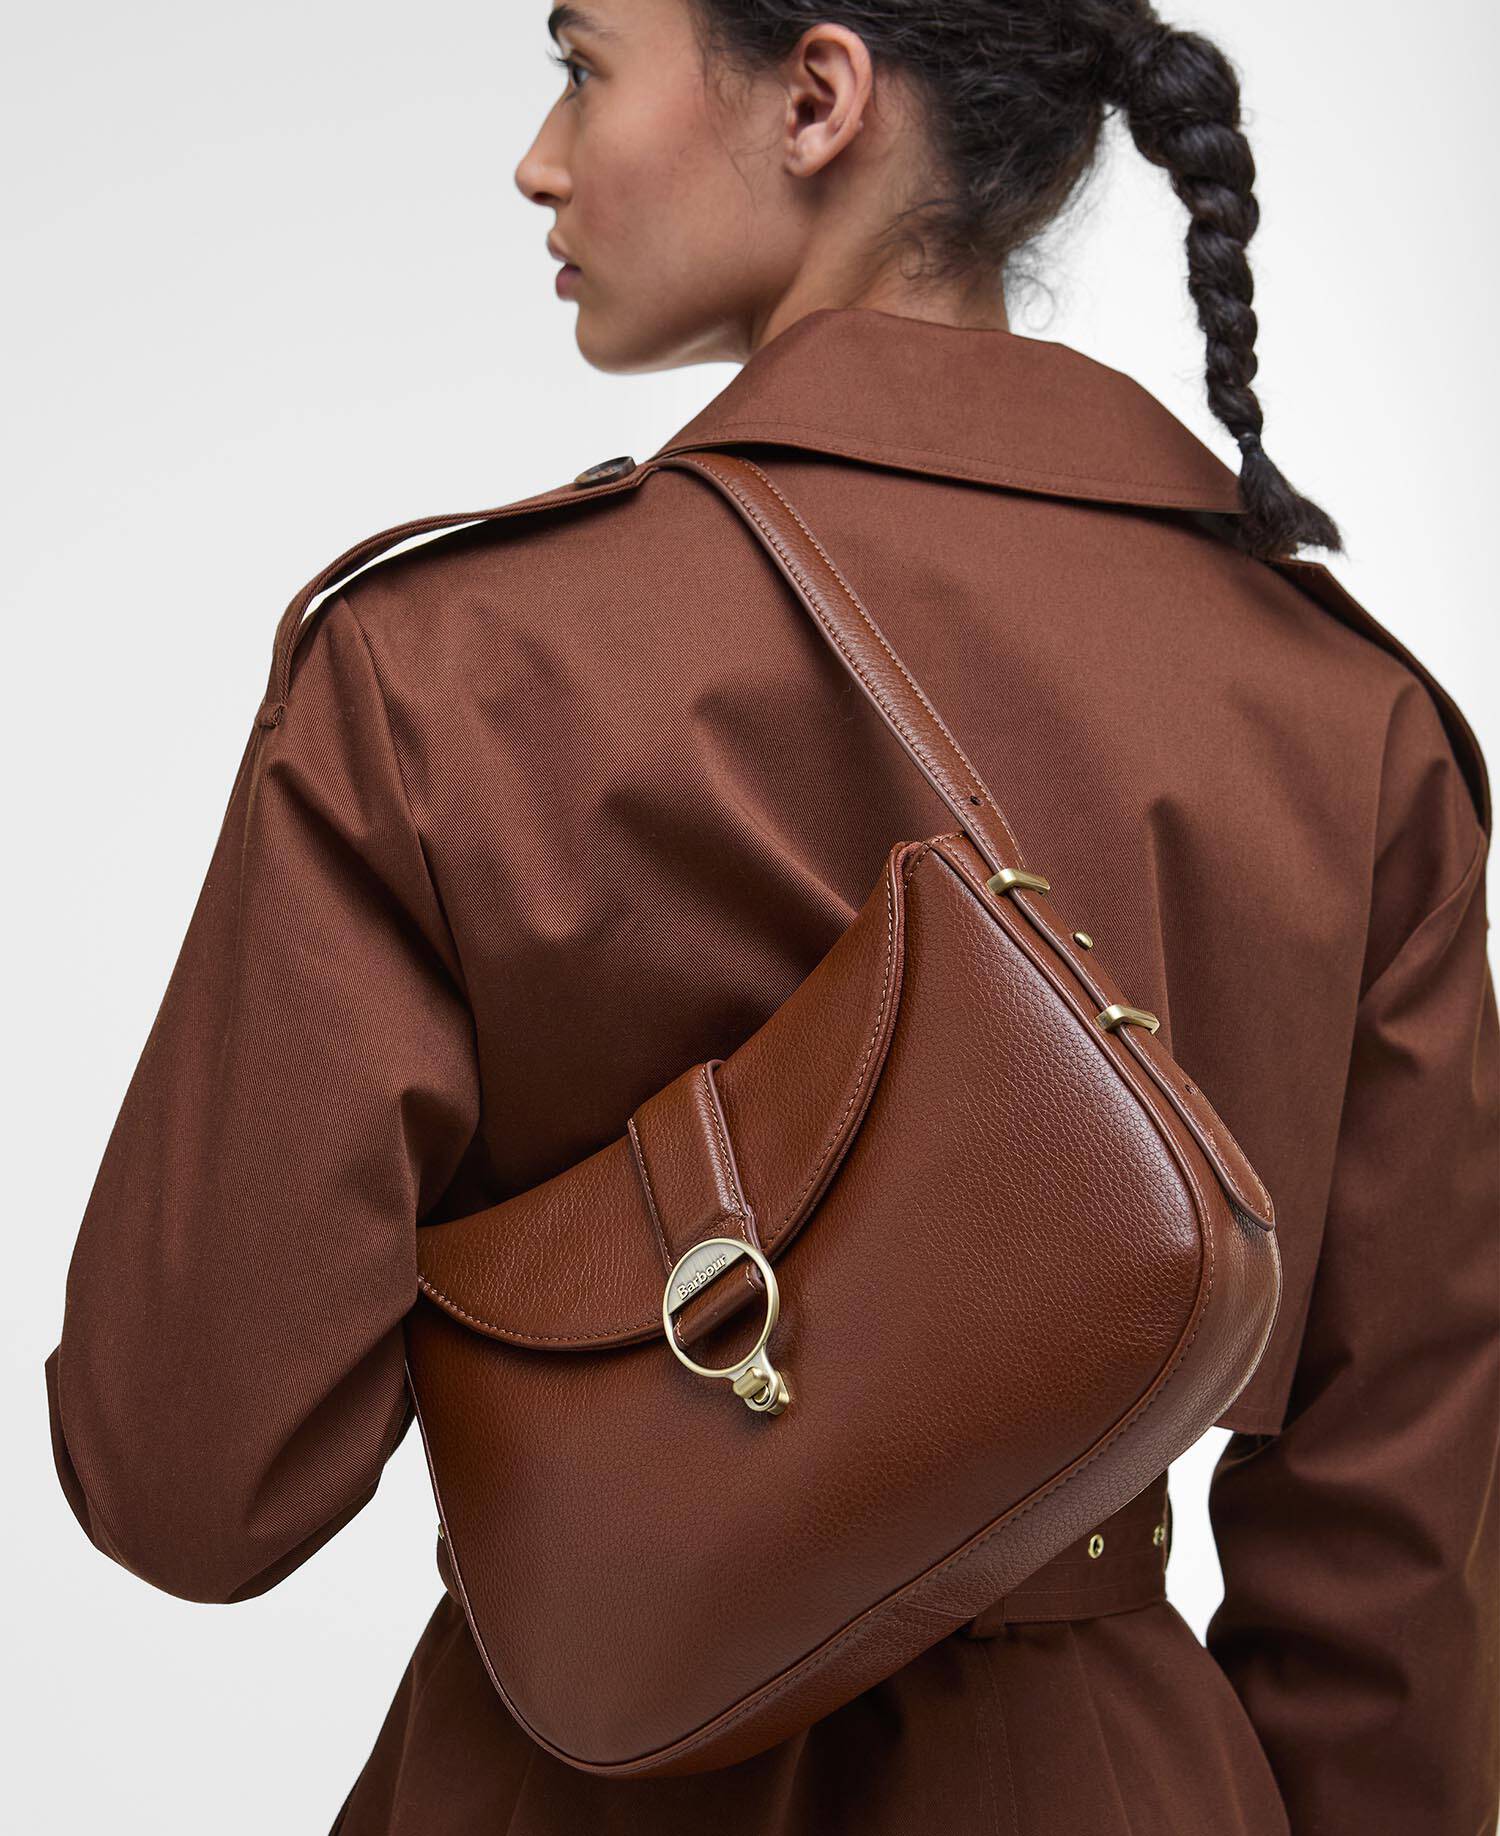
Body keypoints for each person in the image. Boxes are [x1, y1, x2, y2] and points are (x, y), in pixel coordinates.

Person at [43, 2, 1497, 1832]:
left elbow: (186, 1481)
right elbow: (1392, 1558)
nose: (539, 159)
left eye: (582, 64)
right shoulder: (1352, 717)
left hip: (571, 1780)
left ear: (818, 96)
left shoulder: (448, 672)